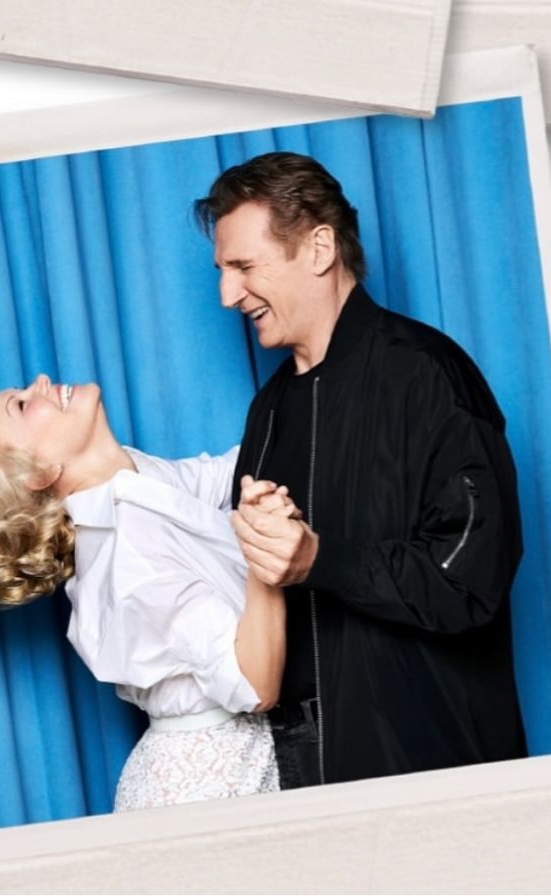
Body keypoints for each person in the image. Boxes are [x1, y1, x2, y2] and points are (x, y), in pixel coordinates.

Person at [195, 150, 527, 788]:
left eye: (244, 267)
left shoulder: (426, 372)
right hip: (304, 767)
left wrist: (322, 559)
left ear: (319, 248)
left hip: (431, 762)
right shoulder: (267, 412)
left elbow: (472, 580)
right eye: (222, 271)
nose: (227, 295)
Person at [0, 378, 287, 810]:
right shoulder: (129, 562)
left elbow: (232, 472)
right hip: (206, 785)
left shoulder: (128, 479)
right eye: (20, 405)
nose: (40, 382)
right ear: (40, 472)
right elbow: (255, 682)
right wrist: (267, 548)